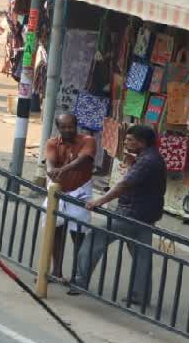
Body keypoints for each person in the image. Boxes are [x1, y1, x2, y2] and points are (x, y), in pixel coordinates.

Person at [70, 124, 166, 306]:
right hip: (146, 214)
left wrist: (100, 200)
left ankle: (79, 281)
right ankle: (141, 295)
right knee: (141, 254)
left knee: (95, 239)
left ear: (142, 142)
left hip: (131, 213)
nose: (126, 143)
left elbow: (124, 185)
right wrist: (132, 165)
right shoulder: (150, 158)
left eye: (130, 140)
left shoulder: (147, 161)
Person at [43, 112, 96, 282]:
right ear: (58, 128)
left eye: (71, 126)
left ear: (76, 126)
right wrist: (51, 170)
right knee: (54, 230)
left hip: (80, 190)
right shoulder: (52, 142)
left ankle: (77, 276)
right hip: (59, 190)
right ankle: (56, 271)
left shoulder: (88, 140)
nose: (68, 130)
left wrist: (61, 170)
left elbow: (83, 160)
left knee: (78, 234)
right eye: (64, 127)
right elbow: (50, 161)